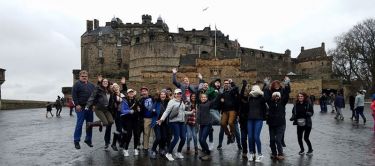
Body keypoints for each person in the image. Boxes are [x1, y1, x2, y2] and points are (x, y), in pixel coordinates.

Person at [157, 89, 195, 161]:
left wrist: (190, 112)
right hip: (174, 122)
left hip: (182, 122)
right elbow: (166, 111)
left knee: (183, 138)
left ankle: (178, 152)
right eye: (177, 94)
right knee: (176, 138)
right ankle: (168, 153)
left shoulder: (181, 101)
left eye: (180, 94)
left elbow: (182, 112)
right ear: (174, 94)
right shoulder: (171, 102)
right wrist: (162, 119)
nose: (178, 95)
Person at [85, 78, 114, 150]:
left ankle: (99, 124)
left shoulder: (109, 91)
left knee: (111, 121)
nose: (105, 82)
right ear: (101, 83)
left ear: (108, 83)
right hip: (99, 109)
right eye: (104, 81)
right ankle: (90, 124)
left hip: (106, 110)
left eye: (106, 82)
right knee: (106, 123)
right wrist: (88, 105)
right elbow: (92, 97)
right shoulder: (98, 89)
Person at [263, 77, 290, 148]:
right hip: (272, 116)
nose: (276, 85)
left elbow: (287, 95)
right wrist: (266, 85)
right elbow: (265, 96)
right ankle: (273, 147)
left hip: (280, 113)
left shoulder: (282, 91)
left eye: (277, 84)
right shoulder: (270, 93)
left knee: (281, 130)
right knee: (272, 137)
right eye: (275, 84)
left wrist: (287, 84)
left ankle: (281, 140)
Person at [72, 70, 96, 149]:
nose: (84, 78)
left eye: (85, 76)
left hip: (89, 107)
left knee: (90, 124)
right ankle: (76, 141)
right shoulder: (77, 84)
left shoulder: (91, 85)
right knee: (79, 124)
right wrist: (77, 104)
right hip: (80, 107)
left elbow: (94, 96)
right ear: (80, 77)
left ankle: (88, 139)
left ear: (87, 77)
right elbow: (74, 95)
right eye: (83, 76)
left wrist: (94, 105)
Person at [245, 83, 267, 162]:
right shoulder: (250, 98)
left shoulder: (261, 98)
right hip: (250, 119)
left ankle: (260, 154)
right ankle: (251, 153)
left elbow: (266, 98)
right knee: (250, 137)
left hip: (258, 119)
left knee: (256, 137)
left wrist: (263, 89)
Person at [196, 93, 218, 161]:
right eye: (202, 97)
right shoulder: (199, 104)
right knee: (200, 140)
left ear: (207, 98)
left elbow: (215, 100)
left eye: (205, 97)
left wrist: (218, 93)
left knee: (203, 140)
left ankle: (208, 154)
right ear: (200, 98)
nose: (203, 98)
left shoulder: (209, 103)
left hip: (207, 124)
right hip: (201, 124)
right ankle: (205, 152)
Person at [120, 88, 141, 156]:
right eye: (129, 93)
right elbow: (122, 110)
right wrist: (129, 111)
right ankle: (126, 149)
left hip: (135, 120)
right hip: (128, 120)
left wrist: (139, 109)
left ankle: (135, 149)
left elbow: (138, 108)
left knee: (136, 135)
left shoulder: (136, 100)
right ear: (127, 94)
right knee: (129, 135)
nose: (131, 94)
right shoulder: (124, 100)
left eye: (132, 92)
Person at [150, 91, 170, 159]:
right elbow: (151, 110)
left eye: (164, 94)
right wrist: (154, 111)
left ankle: (161, 149)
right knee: (158, 138)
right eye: (161, 94)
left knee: (164, 137)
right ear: (159, 96)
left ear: (166, 96)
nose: (163, 95)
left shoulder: (168, 103)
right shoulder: (157, 102)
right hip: (157, 122)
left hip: (164, 123)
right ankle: (152, 150)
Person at [219, 79, 239, 144]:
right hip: (225, 111)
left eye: (227, 83)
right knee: (222, 123)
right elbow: (220, 102)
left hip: (232, 110)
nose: (226, 84)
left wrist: (232, 82)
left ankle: (232, 134)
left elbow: (236, 88)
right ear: (223, 84)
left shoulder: (232, 91)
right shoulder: (222, 92)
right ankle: (229, 136)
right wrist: (221, 101)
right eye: (225, 83)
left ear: (229, 84)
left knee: (230, 122)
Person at [138, 86, 154, 153]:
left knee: (154, 134)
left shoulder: (152, 98)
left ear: (147, 92)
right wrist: (138, 109)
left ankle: (154, 148)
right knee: (146, 133)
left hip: (153, 118)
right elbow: (138, 108)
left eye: (145, 91)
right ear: (141, 93)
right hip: (145, 118)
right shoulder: (140, 100)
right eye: (142, 91)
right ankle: (145, 147)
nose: (144, 92)